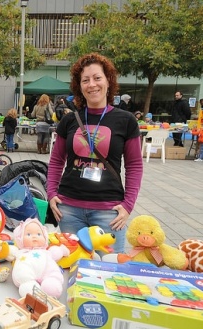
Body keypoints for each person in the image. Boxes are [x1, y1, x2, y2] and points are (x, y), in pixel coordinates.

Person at [47, 52, 143, 254]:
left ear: (108, 81)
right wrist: (51, 193)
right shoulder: (69, 120)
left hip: (109, 212)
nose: (92, 84)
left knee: (108, 272)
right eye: (85, 80)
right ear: (79, 86)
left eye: (97, 78)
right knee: (72, 267)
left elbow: (134, 165)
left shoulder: (125, 121)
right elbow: (56, 160)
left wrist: (128, 205)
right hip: (69, 209)